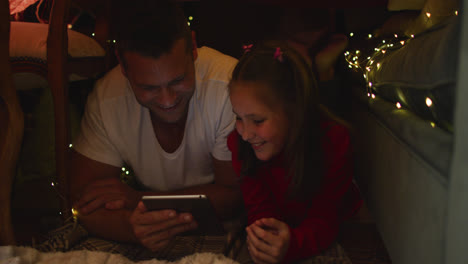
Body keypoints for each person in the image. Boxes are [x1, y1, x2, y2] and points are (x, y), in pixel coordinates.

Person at [69, 0, 243, 252]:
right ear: (122, 65)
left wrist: (137, 200)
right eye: (148, 87)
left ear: (192, 47)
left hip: (228, 231)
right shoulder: (108, 98)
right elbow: (83, 201)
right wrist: (132, 226)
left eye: (178, 80)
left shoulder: (229, 87)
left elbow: (234, 197)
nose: (167, 100)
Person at [227, 41, 363, 264]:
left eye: (258, 120)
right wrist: (266, 238)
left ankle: (325, 68)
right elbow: (259, 210)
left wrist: (293, 244)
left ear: (293, 111)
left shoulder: (333, 142)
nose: (245, 133)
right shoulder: (240, 145)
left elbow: (326, 219)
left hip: (336, 220)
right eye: (238, 118)